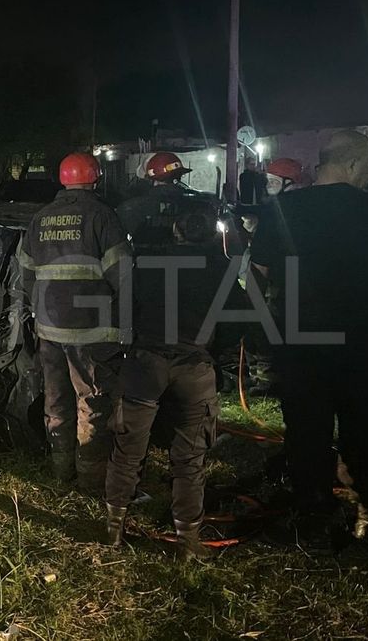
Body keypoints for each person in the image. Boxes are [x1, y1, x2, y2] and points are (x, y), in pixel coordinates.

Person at [250, 130, 368, 548]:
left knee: (306, 429)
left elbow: (258, 273)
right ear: (351, 164)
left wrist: (262, 324)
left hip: (300, 341)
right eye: (367, 166)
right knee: (363, 427)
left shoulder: (282, 208)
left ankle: (312, 517)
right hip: (365, 342)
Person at [104, 211, 250, 559]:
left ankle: (112, 531)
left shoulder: (146, 264)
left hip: (144, 364)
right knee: (189, 458)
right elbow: (243, 318)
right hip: (194, 367)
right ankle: (187, 542)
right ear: (210, 237)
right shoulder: (221, 270)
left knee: (128, 450)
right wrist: (213, 348)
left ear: (175, 231)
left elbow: (120, 312)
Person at [19, 152, 131, 495]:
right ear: (95, 179)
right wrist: (124, 325)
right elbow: (122, 274)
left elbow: (26, 273)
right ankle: (92, 481)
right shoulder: (102, 215)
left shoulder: (40, 218)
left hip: (49, 329)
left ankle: (60, 471)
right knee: (93, 402)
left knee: (56, 399)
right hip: (91, 329)